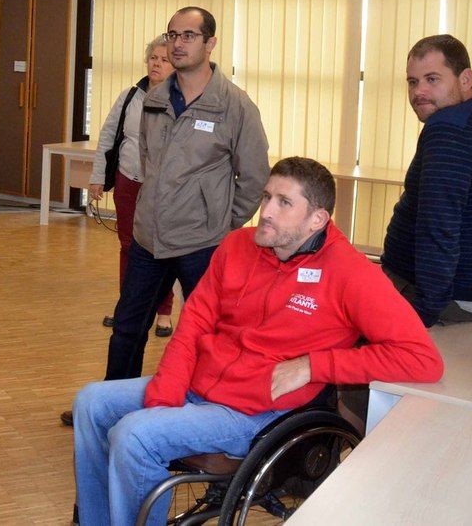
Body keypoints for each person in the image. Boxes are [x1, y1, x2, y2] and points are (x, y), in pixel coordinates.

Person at [72, 157, 445, 525]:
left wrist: (314, 366)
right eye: (267, 197)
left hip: (251, 413)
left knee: (134, 436)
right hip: (197, 385)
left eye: (284, 203)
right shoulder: (237, 246)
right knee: (91, 401)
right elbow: (195, 322)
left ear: (317, 219)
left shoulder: (351, 274)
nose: (265, 211)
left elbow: (422, 359)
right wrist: (165, 397)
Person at [105, 7, 269, 383]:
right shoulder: (156, 97)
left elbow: (255, 176)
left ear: (210, 43)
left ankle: (194, 410)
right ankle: (111, 403)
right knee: (127, 330)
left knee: (205, 336)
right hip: (149, 238)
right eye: (172, 35)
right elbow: (148, 159)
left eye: (188, 36)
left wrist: (221, 223)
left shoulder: (235, 106)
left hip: (201, 245)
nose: (177, 44)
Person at [381, 34, 472, 327]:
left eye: (432, 79)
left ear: (465, 79)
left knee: (321, 311)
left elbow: (438, 228)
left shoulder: (447, 130)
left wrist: (422, 316)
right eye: (412, 82)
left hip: (445, 299)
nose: (419, 91)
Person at [89, 36, 179, 336]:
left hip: (161, 188)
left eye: (164, 59)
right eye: (153, 57)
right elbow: (107, 138)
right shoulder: (130, 95)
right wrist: (98, 177)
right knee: (128, 247)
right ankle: (127, 308)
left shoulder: (179, 100)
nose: (157, 63)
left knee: (160, 249)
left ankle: (163, 312)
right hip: (128, 181)